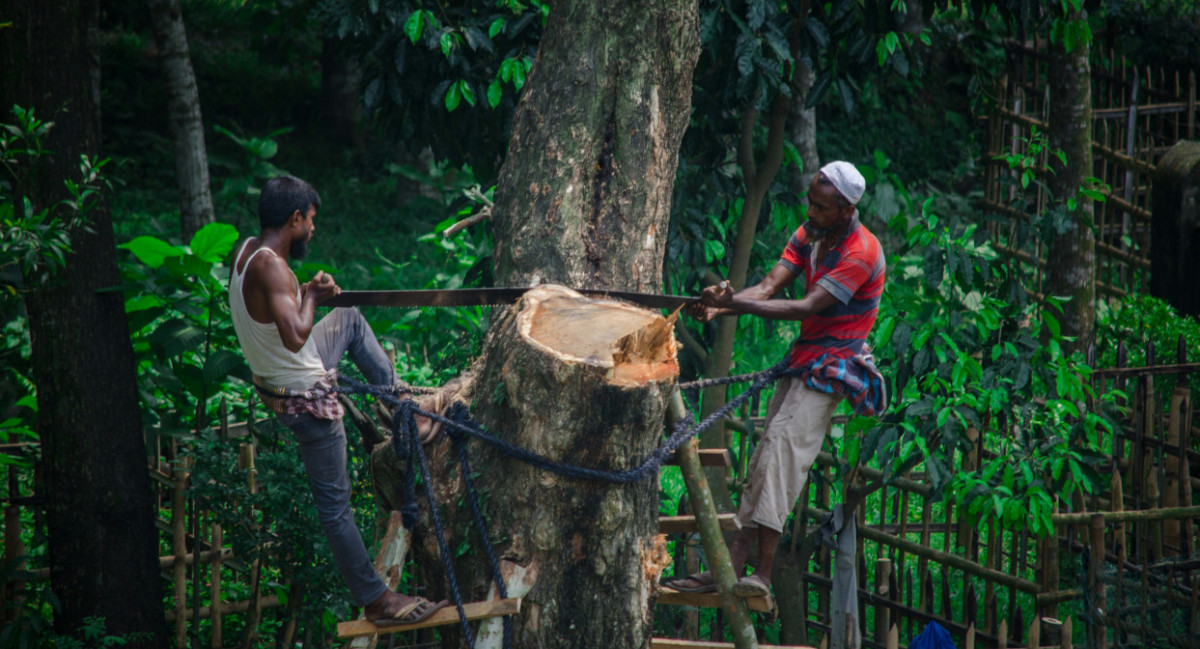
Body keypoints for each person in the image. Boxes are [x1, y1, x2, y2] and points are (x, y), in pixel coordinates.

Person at [228, 175, 447, 625]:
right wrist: (308, 294)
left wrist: (305, 294)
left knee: (347, 316)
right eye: (310, 221)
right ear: (294, 219)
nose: (313, 230)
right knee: (336, 508)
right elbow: (293, 336)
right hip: (305, 400)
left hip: (281, 381)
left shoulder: (247, 249)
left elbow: (278, 320)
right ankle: (377, 599)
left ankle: (402, 413)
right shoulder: (270, 266)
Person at [664, 161, 887, 598]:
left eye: (821, 207)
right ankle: (732, 567)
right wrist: (721, 305)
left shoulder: (861, 252)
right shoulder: (810, 234)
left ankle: (761, 576)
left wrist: (730, 306)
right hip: (804, 360)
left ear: (845, 210)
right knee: (765, 458)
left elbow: (805, 307)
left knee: (782, 457)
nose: (811, 212)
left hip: (834, 367)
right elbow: (766, 287)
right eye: (810, 201)